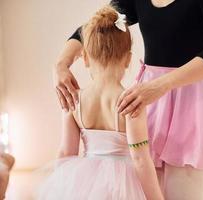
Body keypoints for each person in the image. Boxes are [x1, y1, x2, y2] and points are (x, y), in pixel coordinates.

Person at [54, 0, 203, 199]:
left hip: (187, 101)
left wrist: (161, 85)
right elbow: (99, 26)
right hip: (147, 100)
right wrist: (61, 63)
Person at [38, 6, 163, 200]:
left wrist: (60, 186)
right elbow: (140, 159)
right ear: (128, 59)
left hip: (85, 183)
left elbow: (67, 151)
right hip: (123, 185)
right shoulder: (131, 102)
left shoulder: (75, 100)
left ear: (85, 58)